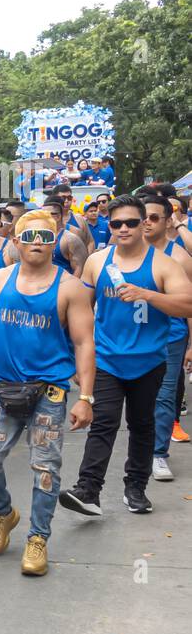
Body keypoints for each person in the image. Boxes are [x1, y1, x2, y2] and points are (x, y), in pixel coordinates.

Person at [0, 210, 96, 576]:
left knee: (45, 467)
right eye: (29, 236)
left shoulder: (70, 288)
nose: (37, 242)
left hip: (50, 393)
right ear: (15, 241)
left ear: (54, 242)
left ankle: (38, 538)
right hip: (1, 388)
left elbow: (83, 341)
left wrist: (86, 396)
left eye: (45, 237)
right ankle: (3, 513)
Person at [58, 195, 192, 516]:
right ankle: (88, 489)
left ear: (144, 223)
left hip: (149, 361)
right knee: (103, 422)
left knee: (142, 425)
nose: (123, 229)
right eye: (116, 223)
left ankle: (135, 488)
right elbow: (80, 308)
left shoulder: (163, 263)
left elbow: (187, 303)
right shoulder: (98, 262)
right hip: (106, 359)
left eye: (131, 222)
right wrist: (75, 355)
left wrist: (147, 294)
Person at [141, 194, 192, 482]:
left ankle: (158, 454)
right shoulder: (121, 251)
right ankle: (140, 450)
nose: (147, 223)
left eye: (154, 218)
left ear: (167, 221)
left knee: (164, 396)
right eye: (143, 218)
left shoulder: (179, 257)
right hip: (131, 338)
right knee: (136, 398)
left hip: (170, 338)